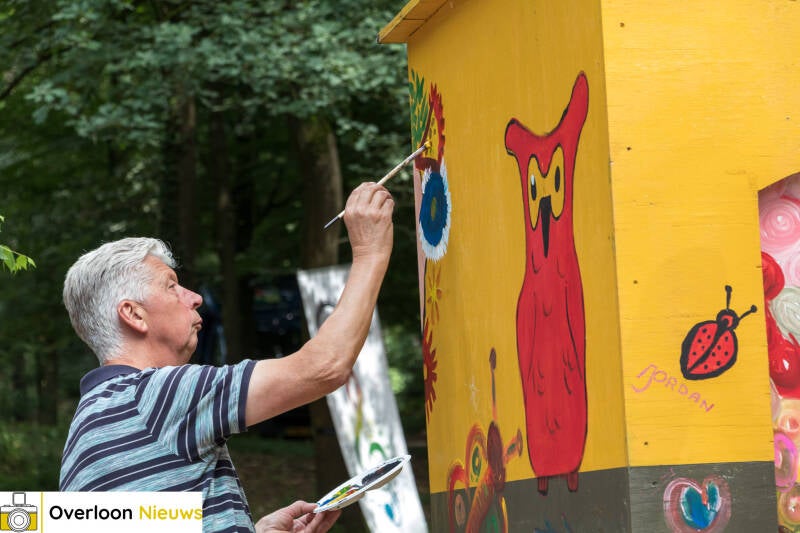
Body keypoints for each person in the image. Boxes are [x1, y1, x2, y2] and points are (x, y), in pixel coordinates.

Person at [59, 182, 394, 533]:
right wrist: (370, 252)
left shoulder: (87, 426)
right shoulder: (153, 397)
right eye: (171, 285)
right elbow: (324, 367)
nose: (194, 297)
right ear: (134, 314)